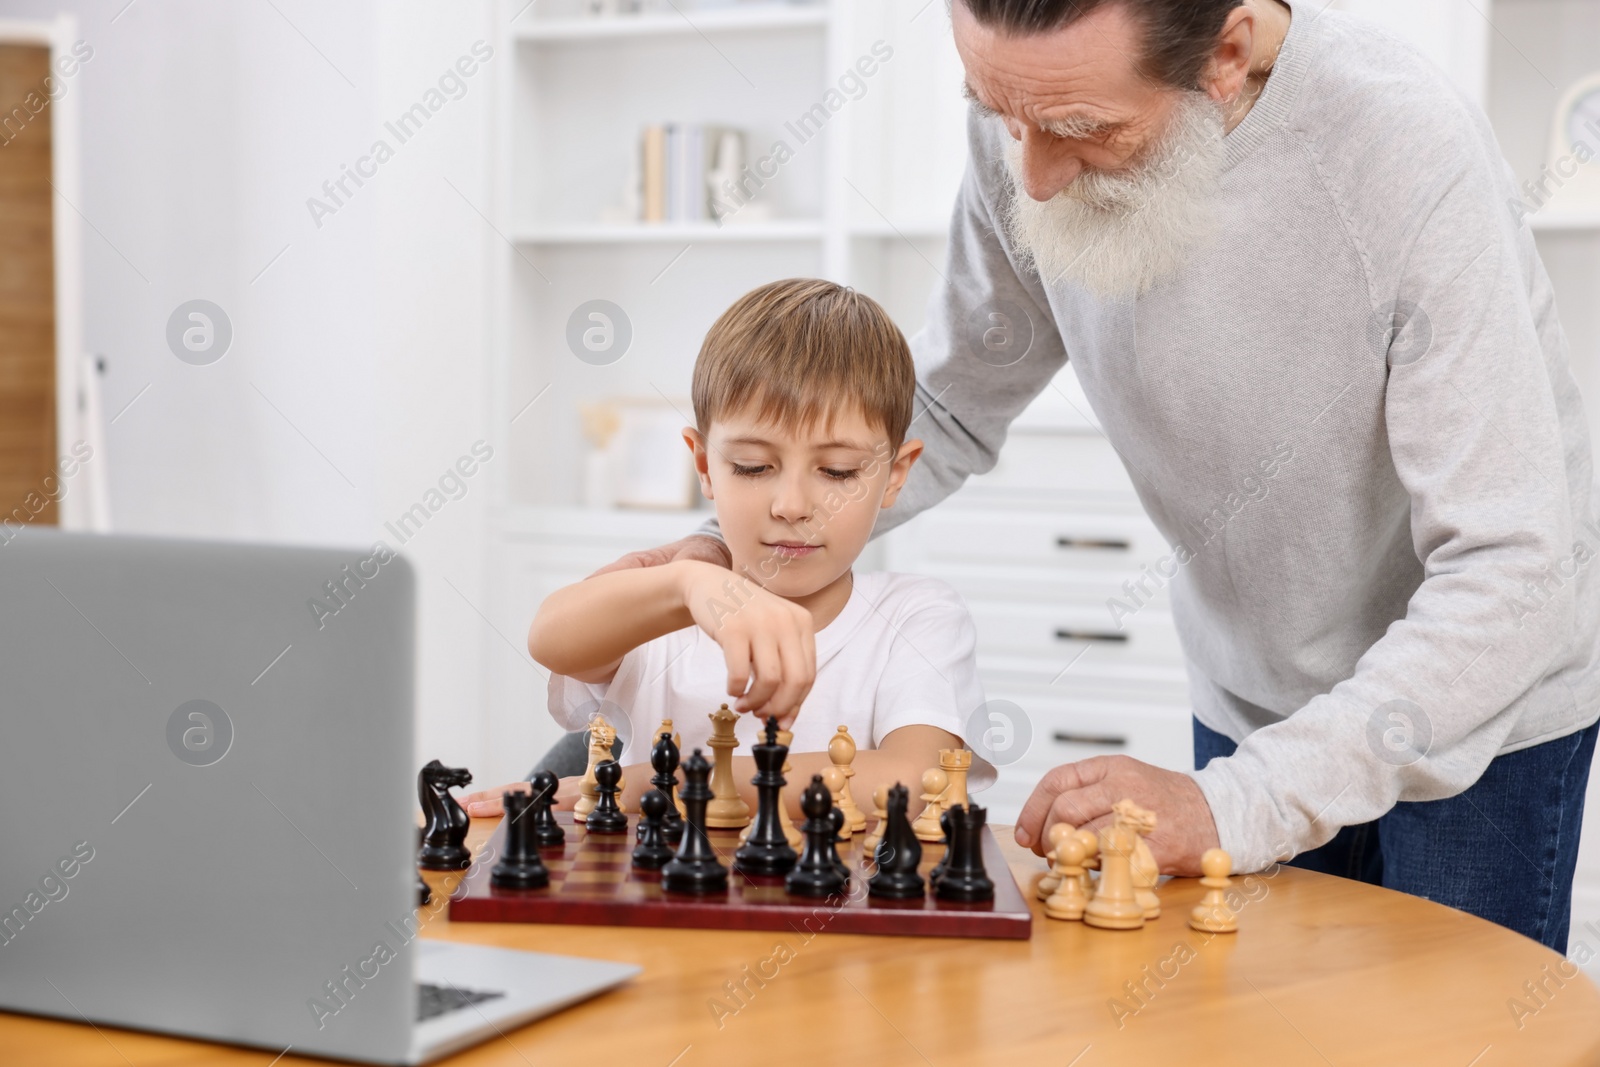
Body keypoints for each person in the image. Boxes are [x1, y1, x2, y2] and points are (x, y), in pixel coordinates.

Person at [578, 0, 1600, 953]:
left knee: (1444, 1036)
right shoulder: (1028, 124)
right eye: (996, 113)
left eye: (1082, 128)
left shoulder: (1403, 149)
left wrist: (1237, 802)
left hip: (1478, 699)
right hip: (1252, 689)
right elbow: (941, 404)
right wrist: (733, 552)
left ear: (1225, 56)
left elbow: (1508, 569)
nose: (1031, 176)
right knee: (1263, 1026)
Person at [464, 279, 993, 819]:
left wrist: (666, 781)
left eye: (838, 471)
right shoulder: (670, 612)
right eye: (753, 466)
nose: (791, 505)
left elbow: (920, 779)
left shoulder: (918, 616)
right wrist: (689, 583)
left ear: (895, 475)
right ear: (704, 466)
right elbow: (551, 638)